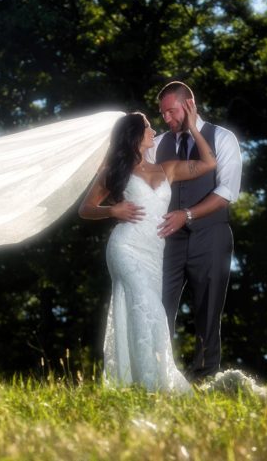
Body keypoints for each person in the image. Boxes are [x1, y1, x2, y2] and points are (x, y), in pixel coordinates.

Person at [78, 105, 216, 392]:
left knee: (147, 312)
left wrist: (192, 126)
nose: (154, 130)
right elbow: (85, 209)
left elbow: (208, 163)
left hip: (154, 254)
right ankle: (151, 385)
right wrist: (112, 210)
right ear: (135, 135)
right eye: (148, 127)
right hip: (125, 247)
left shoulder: (167, 168)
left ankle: (140, 382)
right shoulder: (114, 171)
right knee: (148, 308)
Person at [145, 81, 242, 382]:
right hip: (166, 238)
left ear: (189, 105)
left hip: (210, 235)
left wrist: (186, 214)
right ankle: (159, 374)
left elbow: (227, 191)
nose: (168, 119)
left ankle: (204, 376)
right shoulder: (158, 145)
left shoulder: (223, 138)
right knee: (158, 304)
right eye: (163, 114)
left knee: (209, 308)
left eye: (172, 112)